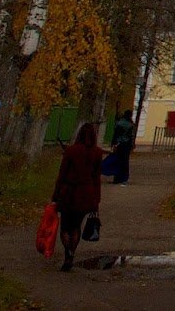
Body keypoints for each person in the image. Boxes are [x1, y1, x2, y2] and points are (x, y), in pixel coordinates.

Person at [51, 122, 102, 272]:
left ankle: (67, 252)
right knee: (76, 227)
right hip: (87, 194)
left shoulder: (71, 151)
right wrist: (96, 199)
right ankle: (72, 253)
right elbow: (96, 178)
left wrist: (56, 194)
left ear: (79, 134)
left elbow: (62, 174)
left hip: (69, 193)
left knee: (65, 226)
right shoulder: (97, 153)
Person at [107, 110, 135, 185]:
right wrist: (132, 145)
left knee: (118, 161)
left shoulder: (119, 123)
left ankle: (116, 179)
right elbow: (131, 136)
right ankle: (124, 178)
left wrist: (113, 143)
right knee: (125, 162)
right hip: (127, 145)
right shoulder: (131, 124)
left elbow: (115, 134)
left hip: (119, 144)